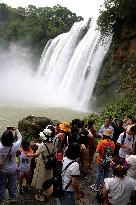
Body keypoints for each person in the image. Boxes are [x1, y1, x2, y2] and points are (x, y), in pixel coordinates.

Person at [29, 125, 55, 202]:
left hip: (43, 164)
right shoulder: (53, 141)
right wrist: (37, 144)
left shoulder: (43, 145)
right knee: (47, 178)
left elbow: (36, 154)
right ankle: (46, 193)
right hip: (49, 163)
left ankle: (40, 196)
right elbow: (49, 149)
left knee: (41, 178)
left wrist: (28, 155)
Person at [0, 127, 22, 203]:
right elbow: (20, 138)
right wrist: (16, 129)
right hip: (12, 169)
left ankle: (1, 199)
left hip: (2, 169)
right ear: (12, 139)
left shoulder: (0, 147)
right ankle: (12, 198)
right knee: (12, 184)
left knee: (1, 185)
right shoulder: (15, 146)